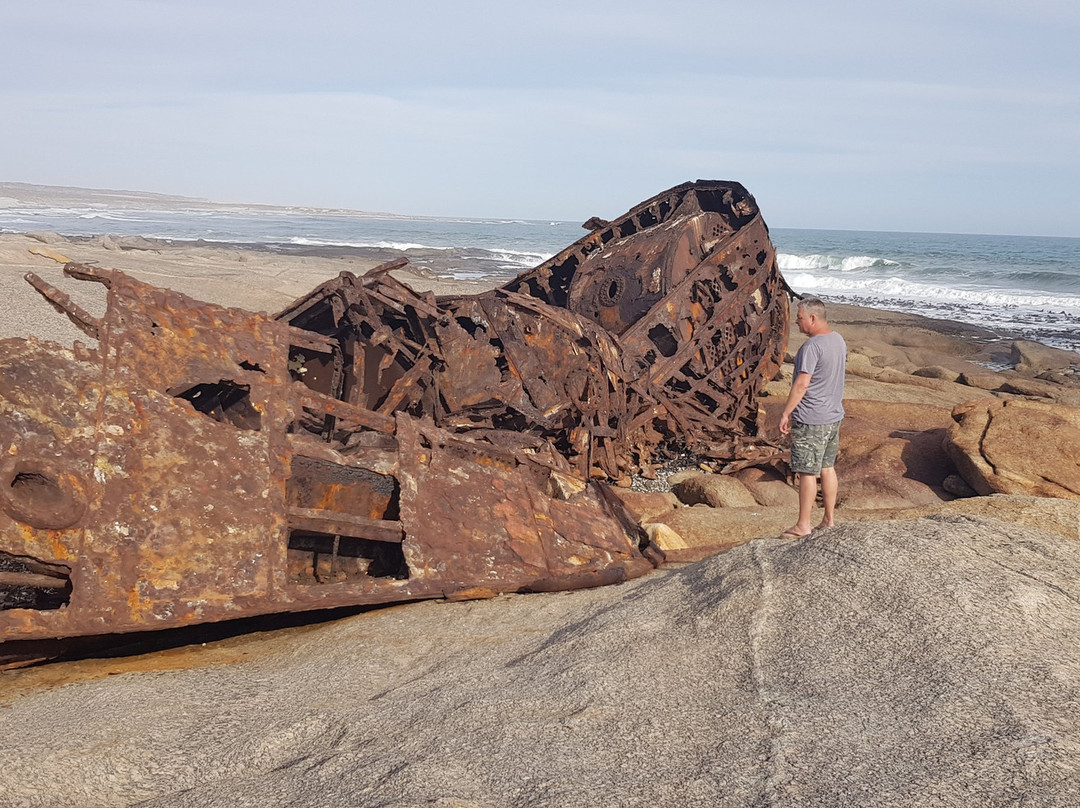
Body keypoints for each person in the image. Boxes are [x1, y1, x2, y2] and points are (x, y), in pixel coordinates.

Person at [778, 297, 846, 538]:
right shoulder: (838, 340)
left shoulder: (812, 347)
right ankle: (828, 520)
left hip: (811, 417)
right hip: (833, 415)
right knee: (827, 467)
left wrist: (786, 412)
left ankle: (803, 525)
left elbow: (802, 384)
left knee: (807, 472)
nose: (796, 323)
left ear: (813, 318)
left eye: (799, 318)